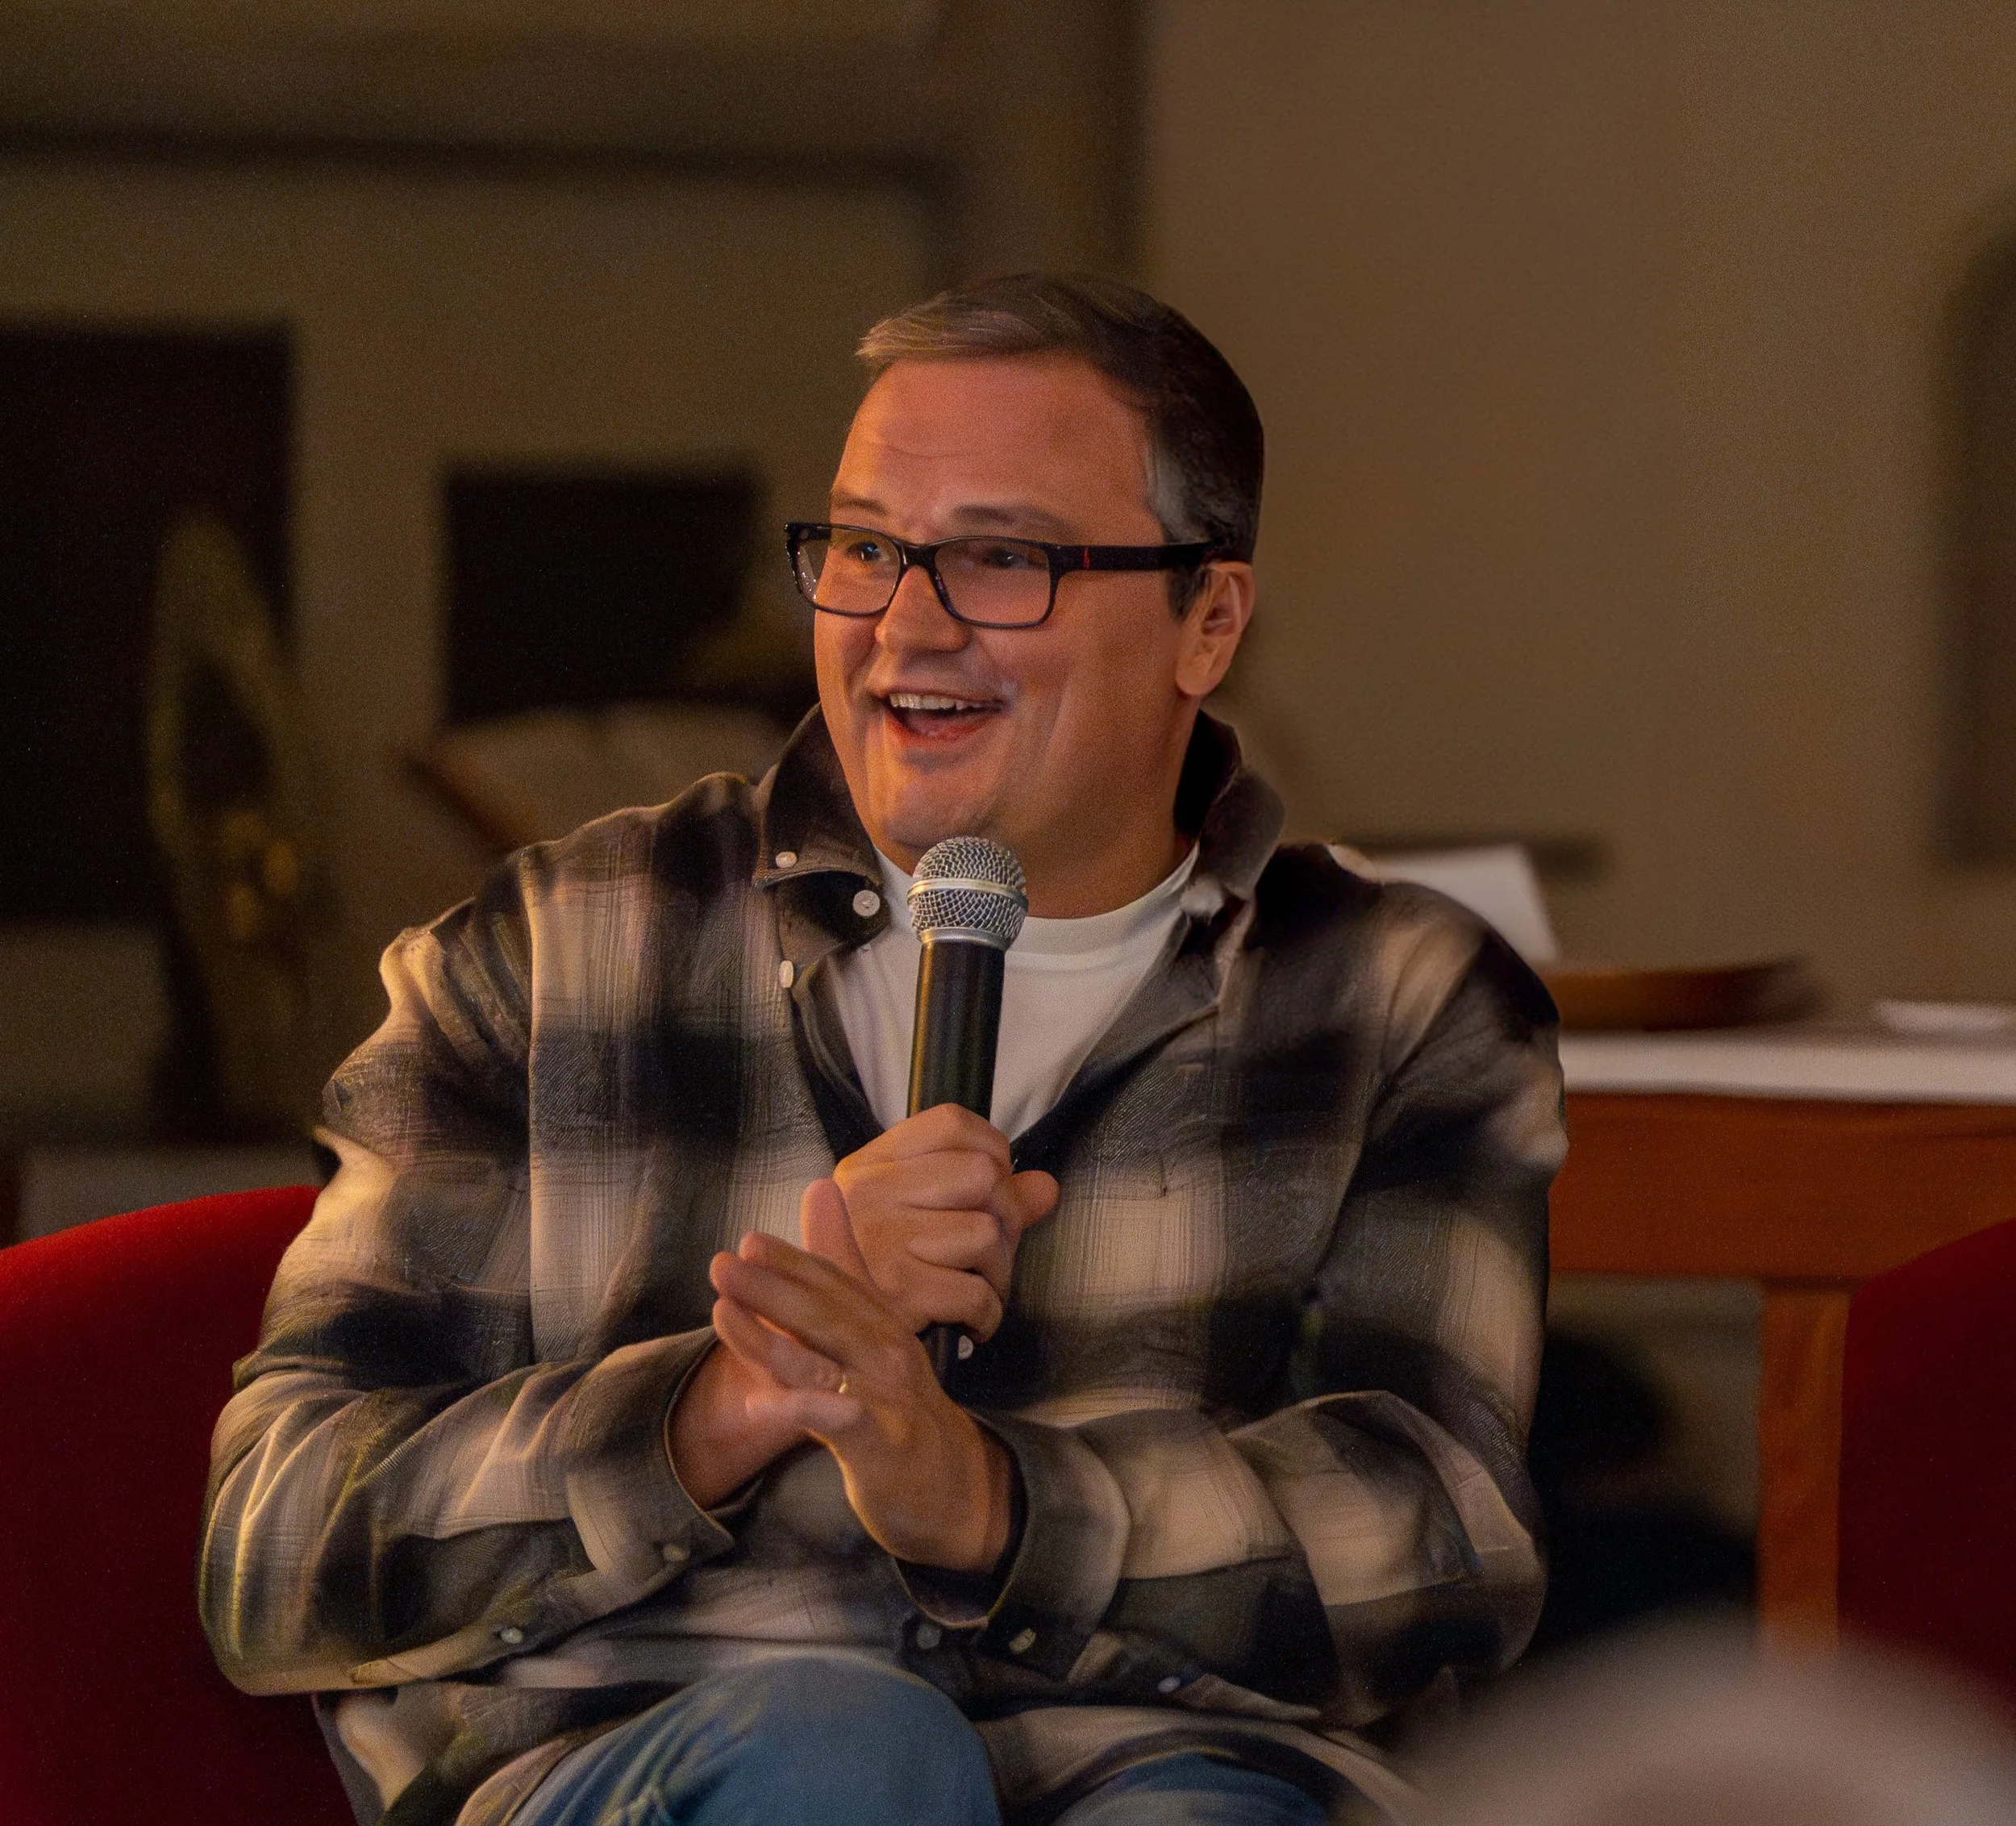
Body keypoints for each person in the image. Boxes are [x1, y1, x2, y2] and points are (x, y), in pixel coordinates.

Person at [202, 273, 1565, 1826]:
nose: (905, 627)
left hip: (1146, 1764)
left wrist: (995, 1507)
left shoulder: (1399, 1001)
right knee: (852, 1756)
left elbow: (1450, 1553)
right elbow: (274, 1546)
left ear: (1208, 622)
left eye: (1002, 557)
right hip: (669, 1758)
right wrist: (721, 1403)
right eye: (862, 549)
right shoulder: (542, 954)